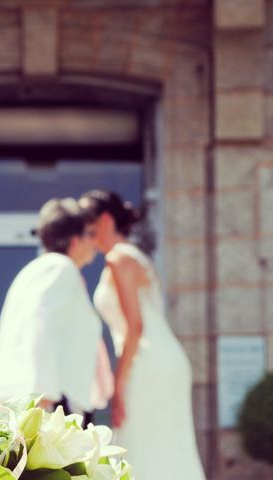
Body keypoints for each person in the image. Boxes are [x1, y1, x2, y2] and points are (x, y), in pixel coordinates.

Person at [79, 190, 206, 480]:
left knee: (141, 449)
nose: (85, 230)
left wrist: (118, 387)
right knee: (166, 450)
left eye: (89, 221)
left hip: (146, 362)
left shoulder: (119, 259)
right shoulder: (135, 256)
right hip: (161, 359)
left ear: (106, 219)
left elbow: (134, 328)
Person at [0, 198, 111, 422]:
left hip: (53, 400)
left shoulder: (41, 270)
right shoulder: (59, 268)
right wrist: (42, 393)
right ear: (74, 240)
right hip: (53, 406)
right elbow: (41, 324)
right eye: (90, 234)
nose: (95, 243)